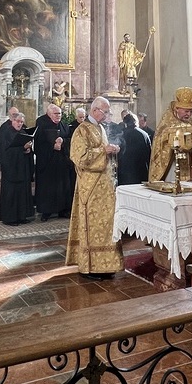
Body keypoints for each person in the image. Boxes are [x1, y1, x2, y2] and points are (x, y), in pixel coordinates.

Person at [66, 96, 123, 278]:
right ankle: (91, 266)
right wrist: (103, 151)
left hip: (105, 186)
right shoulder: (81, 130)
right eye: (105, 112)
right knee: (93, 226)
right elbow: (79, 157)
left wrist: (112, 150)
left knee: (107, 225)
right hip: (91, 187)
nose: (107, 115)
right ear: (95, 110)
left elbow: (103, 153)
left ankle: (107, 265)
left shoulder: (100, 128)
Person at [149, 87, 192, 182]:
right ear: (176, 108)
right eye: (186, 111)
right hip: (173, 164)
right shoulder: (166, 125)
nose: (189, 114)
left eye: (191, 111)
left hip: (189, 166)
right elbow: (160, 143)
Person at [34, 103, 73, 220]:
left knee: (63, 187)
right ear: (49, 114)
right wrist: (52, 146)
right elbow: (39, 144)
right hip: (47, 163)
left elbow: (71, 140)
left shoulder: (64, 126)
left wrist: (63, 141)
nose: (58, 116)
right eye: (56, 113)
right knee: (48, 188)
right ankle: (46, 211)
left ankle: (63, 210)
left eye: (60, 113)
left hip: (62, 162)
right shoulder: (42, 125)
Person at [0, 110, 34, 225]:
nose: (20, 124)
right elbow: (4, 152)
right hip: (11, 169)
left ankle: (22, 216)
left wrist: (28, 149)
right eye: (18, 121)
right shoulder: (6, 132)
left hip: (22, 168)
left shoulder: (23, 132)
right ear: (12, 120)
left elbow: (26, 148)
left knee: (23, 192)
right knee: (11, 193)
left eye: (22, 122)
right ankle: (10, 218)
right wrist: (22, 148)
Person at [117, 113, 151, 186]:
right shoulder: (144, 134)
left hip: (124, 173)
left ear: (125, 123)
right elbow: (149, 155)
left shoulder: (121, 134)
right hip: (141, 172)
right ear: (136, 122)